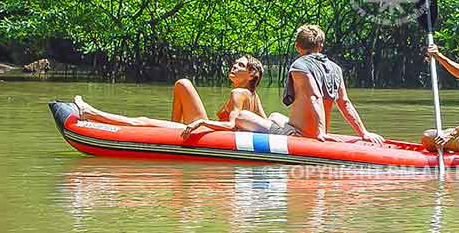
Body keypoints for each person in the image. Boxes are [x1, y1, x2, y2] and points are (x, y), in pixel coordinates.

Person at [232, 24, 385, 144]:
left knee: (241, 116)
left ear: (298, 46)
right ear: (321, 46)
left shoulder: (300, 66)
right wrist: (364, 133)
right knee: (274, 116)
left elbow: (314, 97)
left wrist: (320, 133)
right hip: (308, 128)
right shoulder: (335, 68)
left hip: (299, 134)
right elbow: (344, 103)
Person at [73, 55, 267, 136]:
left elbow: (231, 125)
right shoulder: (253, 96)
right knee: (183, 84)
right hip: (206, 131)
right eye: (235, 63)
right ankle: (173, 127)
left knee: (141, 121)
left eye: (241, 65)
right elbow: (265, 124)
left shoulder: (238, 93)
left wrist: (202, 123)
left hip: (207, 133)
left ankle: (90, 113)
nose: (234, 66)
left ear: (252, 75)